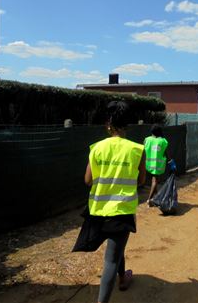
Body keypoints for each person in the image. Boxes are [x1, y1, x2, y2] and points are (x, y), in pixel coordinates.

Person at [84, 101, 146, 303]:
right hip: (121, 210)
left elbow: (87, 181)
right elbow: (141, 181)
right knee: (111, 259)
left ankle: (123, 277)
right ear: (128, 124)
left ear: (108, 124)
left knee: (116, 250)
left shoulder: (97, 148)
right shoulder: (137, 150)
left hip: (98, 209)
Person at [144, 124, 176, 206]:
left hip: (148, 164)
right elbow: (166, 154)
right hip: (158, 165)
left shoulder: (147, 140)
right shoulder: (163, 141)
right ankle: (149, 200)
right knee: (155, 181)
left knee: (153, 181)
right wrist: (171, 163)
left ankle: (157, 198)